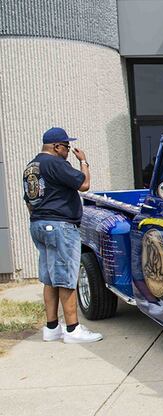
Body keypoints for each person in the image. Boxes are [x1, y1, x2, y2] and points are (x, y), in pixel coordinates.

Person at [23, 127, 103, 343]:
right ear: (56, 147)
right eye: (66, 146)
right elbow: (84, 185)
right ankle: (72, 330)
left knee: (50, 278)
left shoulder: (31, 167)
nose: (68, 150)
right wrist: (83, 162)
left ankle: (51, 328)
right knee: (67, 278)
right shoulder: (55, 163)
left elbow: (29, 200)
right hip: (60, 226)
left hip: (38, 224)